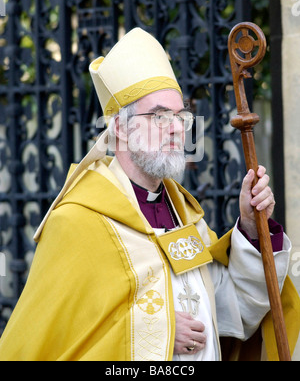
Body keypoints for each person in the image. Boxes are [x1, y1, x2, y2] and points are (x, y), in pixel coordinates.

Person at [0, 28, 299, 361]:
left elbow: (234, 312)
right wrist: (159, 331)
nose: (176, 127)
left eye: (180, 115)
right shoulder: (77, 220)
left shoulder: (185, 218)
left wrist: (249, 226)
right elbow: (57, 343)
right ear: (120, 129)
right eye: (159, 116)